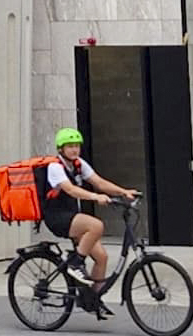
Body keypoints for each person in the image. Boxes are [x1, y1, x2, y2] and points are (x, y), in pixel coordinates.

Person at [44, 128, 138, 298]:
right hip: (58, 218)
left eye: (77, 146)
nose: (74, 150)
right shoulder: (55, 167)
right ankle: (75, 263)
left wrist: (123, 192)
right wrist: (95, 197)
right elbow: (71, 190)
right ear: (61, 149)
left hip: (74, 217)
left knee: (101, 258)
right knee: (96, 225)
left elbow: (99, 182)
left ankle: (92, 299)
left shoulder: (79, 164)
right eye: (70, 146)